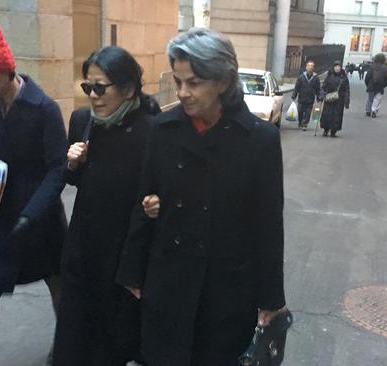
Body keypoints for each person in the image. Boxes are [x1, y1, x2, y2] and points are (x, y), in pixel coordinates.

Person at [115, 28, 287, 366]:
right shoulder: (162, 130)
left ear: (222, 81)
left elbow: (268, 225)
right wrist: (132, 270)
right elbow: (143, 201)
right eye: (178, 82)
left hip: (226, 291)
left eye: (193, 83)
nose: (182, 93)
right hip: (168, 282)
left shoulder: (259, 141)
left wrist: (271, 297)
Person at [0, 21, 67, 365]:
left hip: (39, 216)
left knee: (58, 284)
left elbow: (57, 169)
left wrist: (32, 213)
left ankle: (64, 348)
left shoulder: (44, 109)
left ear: (5, 68)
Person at [52, 46, 158, 365]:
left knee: (111, 346)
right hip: (83, 249)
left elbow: (156, 192)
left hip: (121, 255)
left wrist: (157, 204)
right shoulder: (83, 121)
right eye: (88, 87)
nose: (93, 96)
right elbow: (76, 182)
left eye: (100, 87)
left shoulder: (152, 130)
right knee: (72, 341)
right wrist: (72, 165)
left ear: (127, 89)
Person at [320, 61, 350, 137]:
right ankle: (325, 129)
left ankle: (334, 131)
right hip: (329, 99)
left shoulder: (344, 77)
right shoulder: (329, 76)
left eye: (338, 66)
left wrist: (346, 101)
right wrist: (322, 95)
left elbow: (347, 89)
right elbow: (324, 87)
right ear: (333, 67)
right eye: (335, 66)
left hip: (339, 100)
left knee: (337, 116)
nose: (337, 68)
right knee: (327, 115)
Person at [291, 60, 321, 130]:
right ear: (306, 67)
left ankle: (305, 124)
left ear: (313, 68)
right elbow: (297, 87)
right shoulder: (301, 77)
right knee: (300, 112)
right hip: (301, 99)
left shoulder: (316, 78)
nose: (310, 67)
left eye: (312, 66)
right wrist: (294, 95)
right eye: (309, 66)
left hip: (310, 99)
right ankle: (300, 121)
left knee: (308, 113)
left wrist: (319, 96)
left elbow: (318, 89)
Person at [364, 53, 387, 118]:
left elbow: (367, 77)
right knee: (377, 99)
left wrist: (368, 85)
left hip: (371, 86)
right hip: (380, 87)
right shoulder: (385, 68)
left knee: (370, 99)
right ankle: (374, 110)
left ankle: (368, 111)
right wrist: (384, 85)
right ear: (384, 60)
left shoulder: (372, 67)